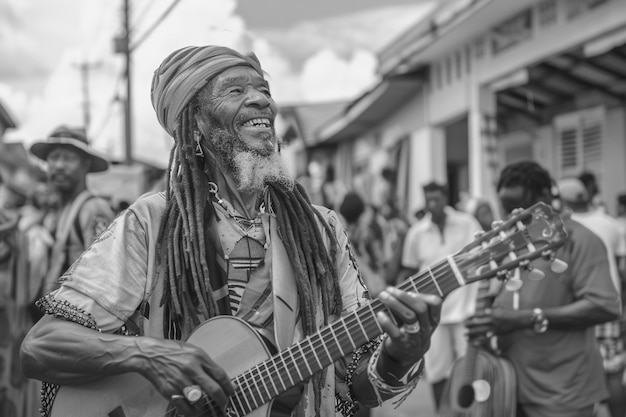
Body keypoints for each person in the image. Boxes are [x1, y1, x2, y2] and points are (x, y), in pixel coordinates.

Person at [20, 45, 442, 417]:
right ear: (196, 124)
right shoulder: (154, 221)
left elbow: (356, 386)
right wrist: (147, 355)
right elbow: (42, 346)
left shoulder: (320, 229)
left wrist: (399, 357)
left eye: (264, 91)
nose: (261, 101)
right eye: (237, 91)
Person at [466, 161, 621, 417]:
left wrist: (524, 319)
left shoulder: (580, 240)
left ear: (545, 197)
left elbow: (603, 306)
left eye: (522, 207)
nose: (514, 217)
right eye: (507, 210)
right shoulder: (512, 241)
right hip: (511, 385)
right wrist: (488, 323)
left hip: (562, 392)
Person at [399, 181, 482, 410]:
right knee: (437, 371)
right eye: (429, 199)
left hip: (465, 310)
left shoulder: (467, 223)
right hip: (433, 316)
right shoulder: (417, 232)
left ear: (446, 198)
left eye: (437, 199)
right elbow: (408, 271)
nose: (432, 204)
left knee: (468, 370)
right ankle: (443, 413)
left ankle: (471, 414)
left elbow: (482, 256)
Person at [558, 177, 626, 417]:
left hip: (575, 308)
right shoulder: (610, 223)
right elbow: (620, 269)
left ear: (562, 200)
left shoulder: (562, 226)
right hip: (609, 305)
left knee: (579, 372)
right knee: (614, 370)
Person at [28, 126, 115, 294]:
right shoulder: (57, 209)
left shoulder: (93, 209)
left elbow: (103, 274)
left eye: (69, 158)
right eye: (53, 158)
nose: (59, 165)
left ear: (86, 164)